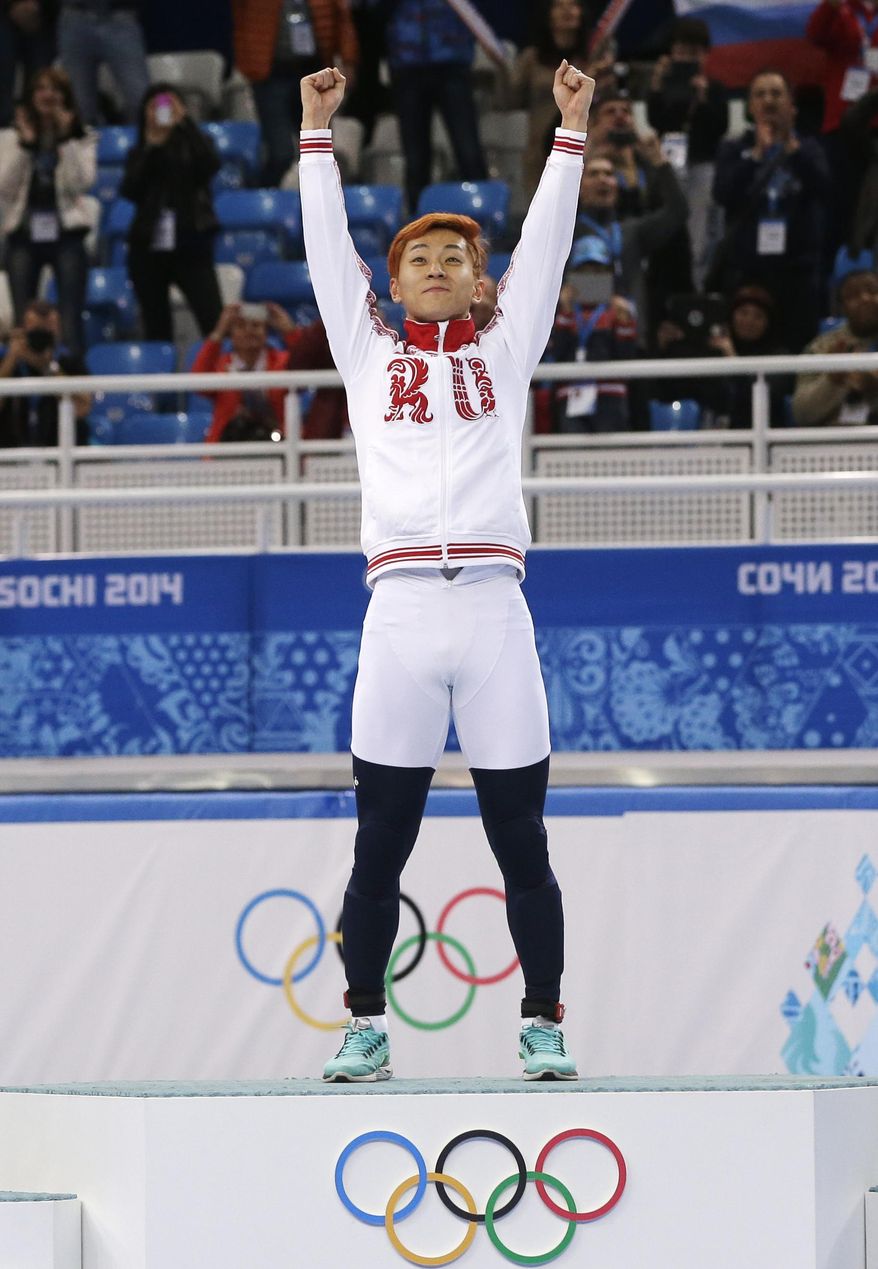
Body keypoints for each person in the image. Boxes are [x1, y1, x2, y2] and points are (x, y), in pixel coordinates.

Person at [299, 59, 594, 1082]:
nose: (432, 264)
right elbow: (324, 248)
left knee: (520, 837)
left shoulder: (506, 345)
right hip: (401, 619)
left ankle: (542, 1021)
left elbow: (548, 246)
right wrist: (313, 137)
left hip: (495, 615)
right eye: (416, 255)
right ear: (393, 281)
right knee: (380, 840)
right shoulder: (366, 351)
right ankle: (363, 1023)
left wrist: (569, 131)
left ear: (479, 281)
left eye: (451, 255)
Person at [711, 70, 831, 354]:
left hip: (796, 271)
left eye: (776, 93)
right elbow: (723, 195)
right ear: (750, 106)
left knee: (796, 349)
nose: (768, 100)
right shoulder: (734, 148)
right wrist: (755, 157)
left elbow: (825, 190)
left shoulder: (810, 148)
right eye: (760, 94)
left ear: (791, 105)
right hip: (747, 271)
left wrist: (794, 151)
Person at [0, 66, 95, 358]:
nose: (48, 94)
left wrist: (66, 139)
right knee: (22, 321)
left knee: (69, 319)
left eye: (54, 89)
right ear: (31, 96)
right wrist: (26, 145)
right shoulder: (9, 137)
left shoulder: (82, 136)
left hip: (66, 234)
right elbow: (3, 185)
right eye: (41, 88)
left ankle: (76, 392)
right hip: (23, 235)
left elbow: (82, 182)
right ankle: (20, 395)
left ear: (64, 97)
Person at [121, 84, 223, 344]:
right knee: (156, 328)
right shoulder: (139, 151)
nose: (162, 112)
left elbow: (209, 166)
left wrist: (185, 123)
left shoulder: (197, 144)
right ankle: (160, 383)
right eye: (154, 107)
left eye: (169, 105)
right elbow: (131, 190)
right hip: (148, 249)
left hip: (192, 245)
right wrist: (152, 146)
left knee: (212, 319)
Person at [232, 0, 359, 185]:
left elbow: (342, 18)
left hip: (314, 74)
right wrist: (248, 64)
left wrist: (349, 60)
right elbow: (240, 20)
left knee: (318, 156)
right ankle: (266, 203)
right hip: (271, 76)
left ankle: (314, 208)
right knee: (281, 154)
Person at [575, 140, 688, 340]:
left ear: (617, 188)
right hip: (583, 339)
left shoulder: (631, 231)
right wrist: (609, 299)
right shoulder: (567, 232)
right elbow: (567, 289)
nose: (602, 179)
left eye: (609, 174)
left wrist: (659, 161)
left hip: (632, 338)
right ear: (579, 186)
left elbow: (678, 212)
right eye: (593, 174)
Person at [647, 15, 728, 287]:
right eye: (681, 50)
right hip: (670, 165)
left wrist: (703, 99)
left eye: (693, 51)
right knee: (665, 222)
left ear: (705, 54)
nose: (686, 57)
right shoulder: (665, 83)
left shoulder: (714, 87)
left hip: (701, 164)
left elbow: (720, 126)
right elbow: (655, 119)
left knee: (698, 229)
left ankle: (697, 286)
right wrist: (657, 85)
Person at [385, 0, 488, 214]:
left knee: (468, 151)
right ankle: (418, 226)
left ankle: (483, 217)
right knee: (415, 159)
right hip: (408, 64)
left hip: (453, 60)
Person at [193, 300, 348, 441]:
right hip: (227, 447)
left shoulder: (282, 362)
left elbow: (306, 361)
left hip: (279, 445)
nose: (249, 331)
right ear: (231, 334)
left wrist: (289, 330)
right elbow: (199, 384)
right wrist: (219, 332)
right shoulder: (219, 366)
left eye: (256, 326)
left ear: (266, 332)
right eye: (240, 326)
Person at [507, 0, 611, 198]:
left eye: (574, 5)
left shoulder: (597, 56)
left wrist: (598, 75)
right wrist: (502, 68)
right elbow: (509, 101)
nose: (567, 10)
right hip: (540, 152)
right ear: (548, 14)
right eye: (559, 5)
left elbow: (609, 100)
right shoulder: (532, 58)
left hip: (587, 148)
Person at [542, 233, 644, 432]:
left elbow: (627, 359)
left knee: (610, 459)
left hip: (610, 398)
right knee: (571, 459)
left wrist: (624, 324)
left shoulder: (620, 309)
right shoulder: (559, 309)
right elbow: (556, 355)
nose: (590, 279)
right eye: (584, 272)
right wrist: (565, 313)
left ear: (608, 274)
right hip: (571, 395)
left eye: (597, 272)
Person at [792, 266, 878, 425]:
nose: (865, 298)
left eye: (873, 291)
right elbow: (801, 414)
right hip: (834, 443)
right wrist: (832, 381)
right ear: (841, 307)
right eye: (853, 295)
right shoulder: (821, 348)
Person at [0, 298, 91, 446]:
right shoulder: (6, 361)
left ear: (58, 331)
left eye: (47, 333)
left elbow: (82, 409)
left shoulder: (70, 362)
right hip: (10, 456)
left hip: (59, 455)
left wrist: (49, 368)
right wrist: (11, 358)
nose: (41, 339)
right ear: (22, 330)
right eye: (35, 332)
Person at [56, 0, 150, 125]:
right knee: (77, 106)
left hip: (120, 16)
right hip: (74, 15)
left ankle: (159, 141)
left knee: (141, 98)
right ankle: (88, 143)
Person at [0, 0, 56, 129]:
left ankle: (37, 136)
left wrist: (39, 5)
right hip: (3, 13)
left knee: (40, 83)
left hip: (44, 17)